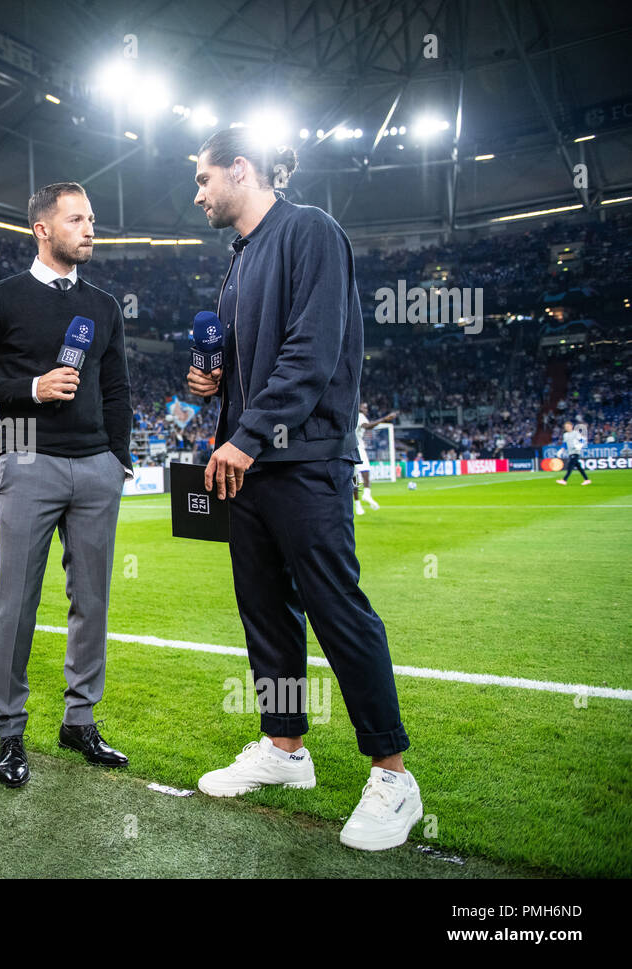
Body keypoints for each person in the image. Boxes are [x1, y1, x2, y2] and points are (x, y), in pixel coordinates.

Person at [185, 129, 420, 851]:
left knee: (337, 609)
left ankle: (393, 772)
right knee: (265, 614)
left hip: (306, 459)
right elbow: (241, 362)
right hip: (248, 467)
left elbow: (312, 352)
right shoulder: (238, 263)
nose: (197, 194)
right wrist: (210, 385)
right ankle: (285, 749)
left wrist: (248, 434)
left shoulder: (310, 231)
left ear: (241, 169)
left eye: (203, 179)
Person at [0, 181, 133, 789]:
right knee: (17, 601)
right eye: (78, 219)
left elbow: (117, 390)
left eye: (93, 219)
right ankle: (10, 732)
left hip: (96, 466)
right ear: (42, 229)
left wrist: (119, 457)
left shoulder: (105, 306)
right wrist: (30, 390)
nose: (90, 229)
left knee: (92, 600)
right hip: (25, 453)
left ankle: (79, 720)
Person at [353, 407, 397, 514]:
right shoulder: (360, 416)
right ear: (359, 407)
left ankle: (358, 505)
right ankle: (366, 494)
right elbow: (367, 426)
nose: (366, 409)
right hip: (357, 447)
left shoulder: (352, 415)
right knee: (365, 471)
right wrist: (384, 419)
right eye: (364, 406)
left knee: (354, 478)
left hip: (348, 448)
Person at [557, 420, 591, 485]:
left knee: (570, 465)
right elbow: (564, 443)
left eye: (568, 426)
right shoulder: (565, 435)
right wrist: (561, 450)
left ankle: (564, 480)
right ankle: (586, 479)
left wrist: (579, 446)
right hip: (570, 452)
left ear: (571, 426)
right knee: (579, 467)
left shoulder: (575, 433)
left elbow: (582, 440)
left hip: (575, 452)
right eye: (566, 427)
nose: (567, 428)